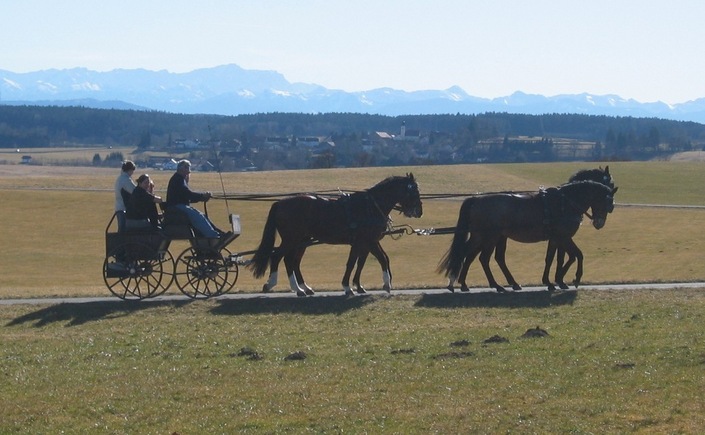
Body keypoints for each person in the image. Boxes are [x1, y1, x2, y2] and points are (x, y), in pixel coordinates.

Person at [166, 159, 230, 241]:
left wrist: (202, 197)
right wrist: (202, 196)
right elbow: (188, 194)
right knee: (197, 216)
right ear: (181, 169)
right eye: (187, 169)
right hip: (177, 207)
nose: (188, 173)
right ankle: (213, 236)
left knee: (202, 215)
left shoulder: (179, 179)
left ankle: (217, 232)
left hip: (179, 206)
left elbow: (186, 196)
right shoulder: (178, 179)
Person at [114, 160, 136, 232]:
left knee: (121, 230)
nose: (132, 173)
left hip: (118, 207)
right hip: (123, 209)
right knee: (124, 231)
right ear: (129, 170)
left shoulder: (119, 179)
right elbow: (135, 192)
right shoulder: (126, 180)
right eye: (132, 170)